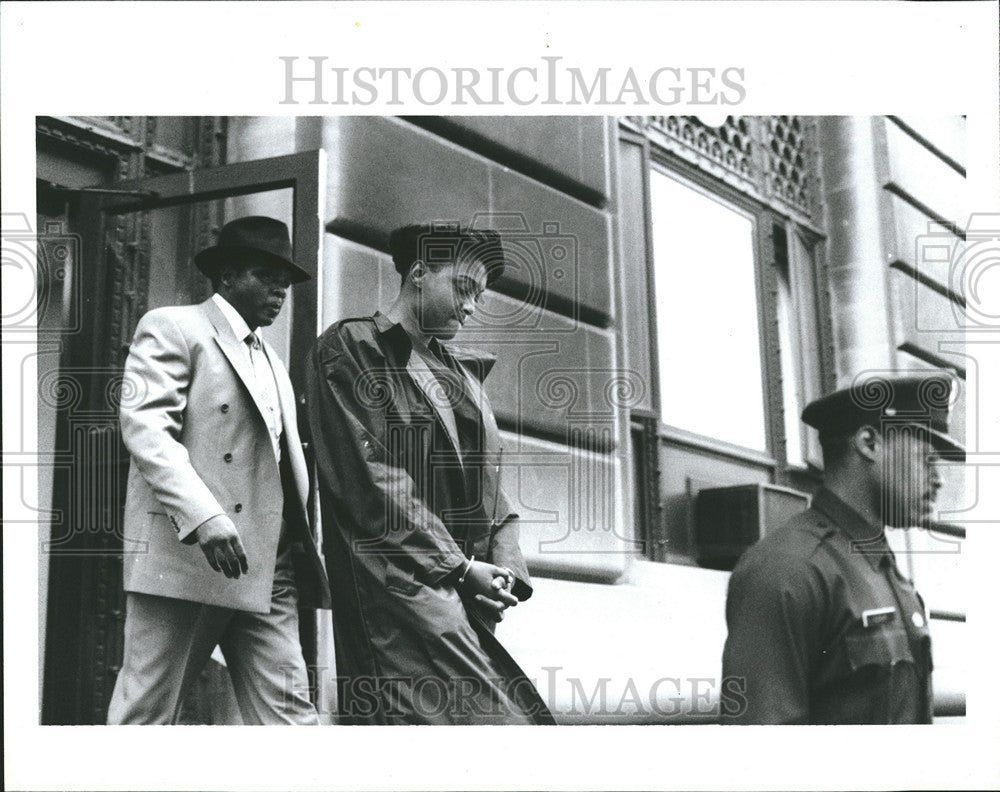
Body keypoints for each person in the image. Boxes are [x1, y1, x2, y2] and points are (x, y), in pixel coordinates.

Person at [305, 222, 554, 724]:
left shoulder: (458, 373)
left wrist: (503, 567)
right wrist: (461, 568)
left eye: (479, 297)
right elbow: (371, 478)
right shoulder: (353, 346)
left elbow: (490, 483)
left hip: (456, 593)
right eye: (464, 288)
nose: (471, 306)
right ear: (419, 273)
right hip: (395, 591)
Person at [107, 216, 330, 725]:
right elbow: (146, 430)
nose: (280, 290)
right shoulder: (174, 326)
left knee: (292, 719)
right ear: (227, 276)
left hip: (267, 567)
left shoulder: (271, 357)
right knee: (146, 714)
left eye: (286, 281)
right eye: (265, 275)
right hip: (189, 560)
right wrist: (204, 516)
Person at [721, 373, 964, 724]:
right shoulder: (788, 569)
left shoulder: (882, 567)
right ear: (868, 442)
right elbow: (761, 758)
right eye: (926, 459)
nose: (939, 479)